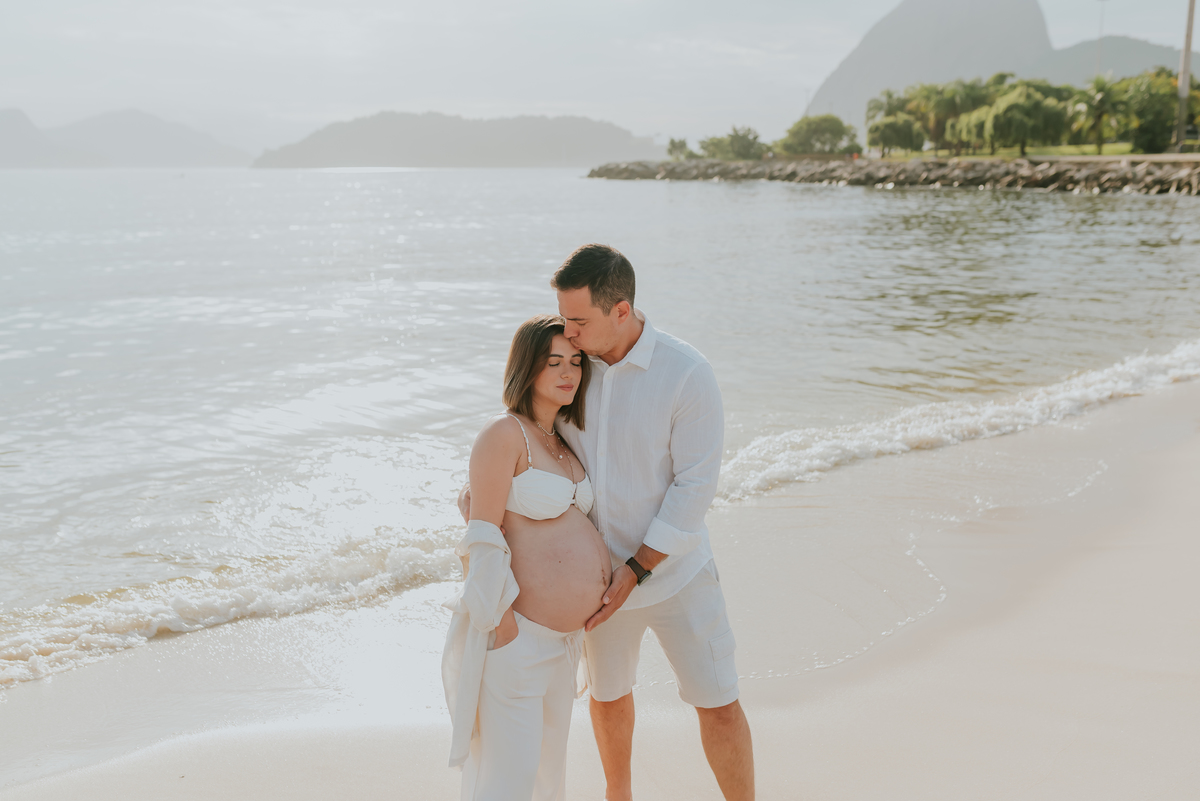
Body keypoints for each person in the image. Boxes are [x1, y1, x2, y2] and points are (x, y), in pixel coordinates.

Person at [459, 245, 755, 801]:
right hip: (600, 596)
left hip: (675, 574)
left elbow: (695, 486)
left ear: (620, 311)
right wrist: (482, 495)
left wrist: (637, 569)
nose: (568, 335)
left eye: (578, 321)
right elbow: (530, 444)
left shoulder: (685, 373)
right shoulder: (575, 370)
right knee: (609, 697)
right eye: (565, 319)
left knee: (717, 702)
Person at [442, 314, 611, 801]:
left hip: (562, 645)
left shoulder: (563, 442)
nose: (569, 372)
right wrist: (504, 624)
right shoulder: (504, 434)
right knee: (508, 783)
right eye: (553, 361)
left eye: (576, 362)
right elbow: (482, 538)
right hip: (518, 638)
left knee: (547, 780)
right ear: (526, 368)